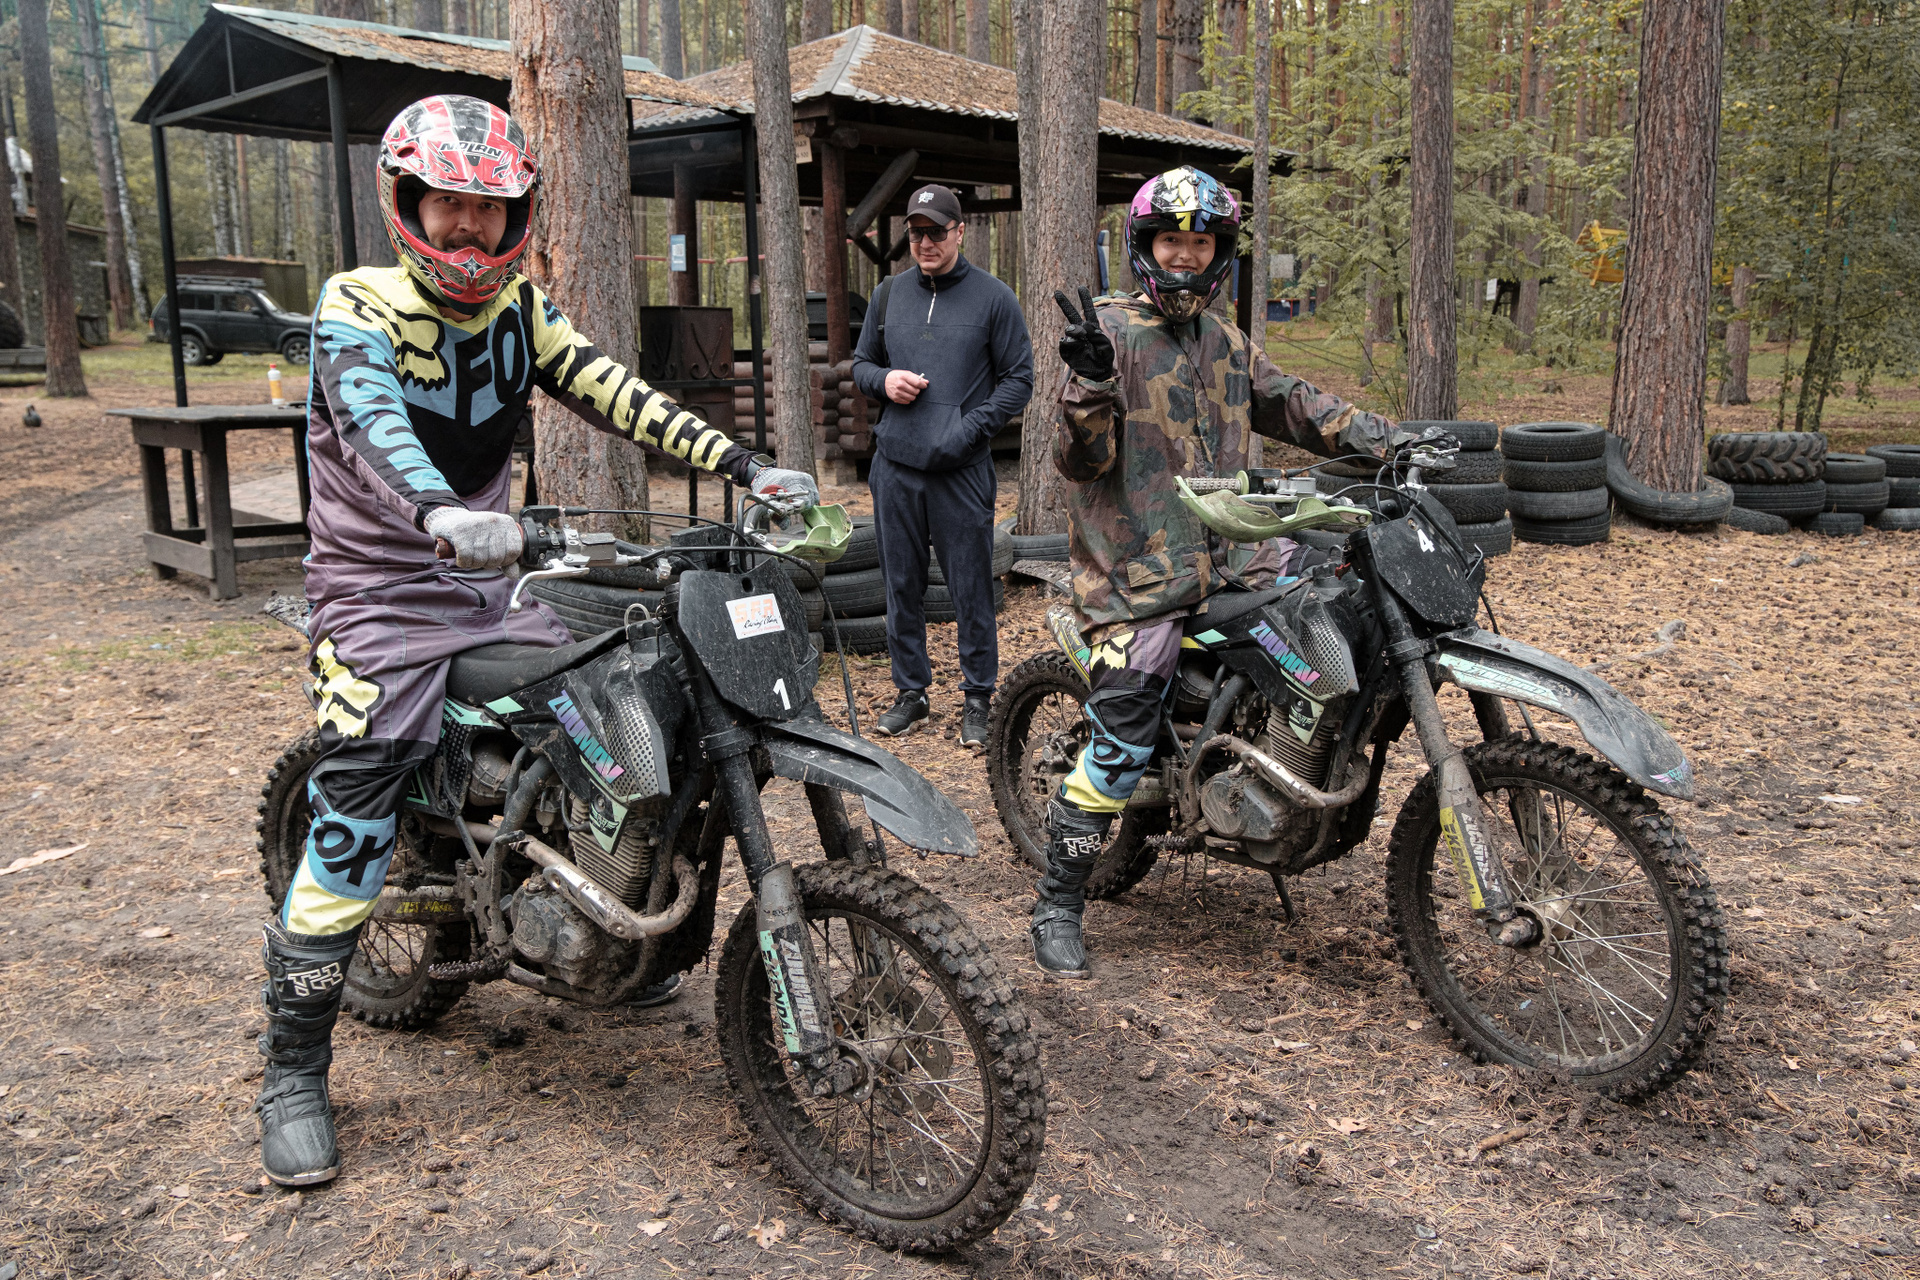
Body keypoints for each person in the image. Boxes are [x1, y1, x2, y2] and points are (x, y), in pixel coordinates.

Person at [256, 94, 818, 1188]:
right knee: (362, 794)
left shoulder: (521, 311)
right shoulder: (356, 303)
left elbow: (618, 393)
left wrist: (748, 466)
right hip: (377, 592)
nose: (468, 229)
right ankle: (292, 1069)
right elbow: (370, 420)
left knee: (613, 702)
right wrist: (437, 508)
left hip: (490, 581)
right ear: (406, 202)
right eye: (448, 205)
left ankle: (604, 920)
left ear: (517, 216)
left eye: (489, 209)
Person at [1033, 166, 1399, 978]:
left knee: (1339, 611)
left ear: (1219, 252)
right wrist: (1088, 386)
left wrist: (1390, 439)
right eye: (1172, 241)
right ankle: (1058, 900)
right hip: (1136, 575)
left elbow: (1298, 405)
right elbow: (1077, 461)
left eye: (1200, 244)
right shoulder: (1109, 334)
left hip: (1236, 558)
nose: (1186, 257)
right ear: (1145, 246)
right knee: (1123, 735)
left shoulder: (1227, 343)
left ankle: (1273, 777)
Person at [851, 184, 1033, 746]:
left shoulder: (994, 298)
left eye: (936, 231)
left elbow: (1019, 379)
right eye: (915, 233)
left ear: (960, 232)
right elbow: (860, 364)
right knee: (900, 584)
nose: (925, 242)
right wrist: (884, 380)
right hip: (895, 466)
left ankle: (978, 697)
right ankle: (912, 693)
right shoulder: (888, 296)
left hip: (961, 470)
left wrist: (969, 428)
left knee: (971, 587)